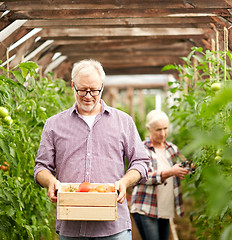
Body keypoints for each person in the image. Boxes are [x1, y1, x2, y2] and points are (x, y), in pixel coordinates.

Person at [34, 59, 150, 239]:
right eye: (82, 89)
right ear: (73, 86)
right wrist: (50, 182)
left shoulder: (123, 122)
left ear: (102, 87)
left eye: (94, 90)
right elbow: (41, 167)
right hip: (71, 225)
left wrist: (125, 182)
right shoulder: (54, 125)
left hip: (114, 227)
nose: (88, 95)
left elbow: (141, 162)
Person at [130, 110, 192, 240]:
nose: (163, 133)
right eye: (158, 130)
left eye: (165, 128)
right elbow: (142, 176)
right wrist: (171, 172)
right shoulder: (142, 149)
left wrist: (195, 164)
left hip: (165, 208)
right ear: (149, 129)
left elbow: (187, 165)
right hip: (146, 207)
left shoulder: (172, 149)